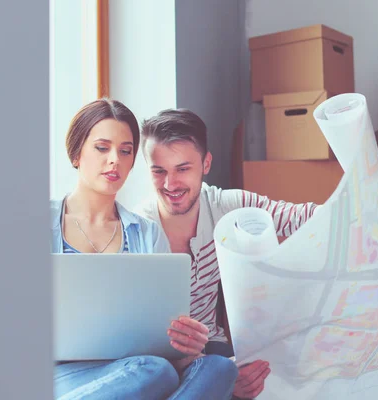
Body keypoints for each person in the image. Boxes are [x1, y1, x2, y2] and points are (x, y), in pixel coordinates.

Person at [51, 99, 238, 400]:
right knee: (155, 371)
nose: (115, 160)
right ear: (76, 153)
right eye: (102, 147)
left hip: (137, 368)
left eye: (125, 151)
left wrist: (183, 344)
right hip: (61, 373)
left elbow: (161, 338)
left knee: (220, 369)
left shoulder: (147, 232)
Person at [135, 108, 320, 399]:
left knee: (270, 380)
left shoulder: (224, 206)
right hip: (160, 358)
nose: (170, 185)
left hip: (213, 347)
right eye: (159, 171)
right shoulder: (136, 231)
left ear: (205, 163)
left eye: (183, 168)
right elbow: (135, 338)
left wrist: (360, 211)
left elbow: (300, 216)